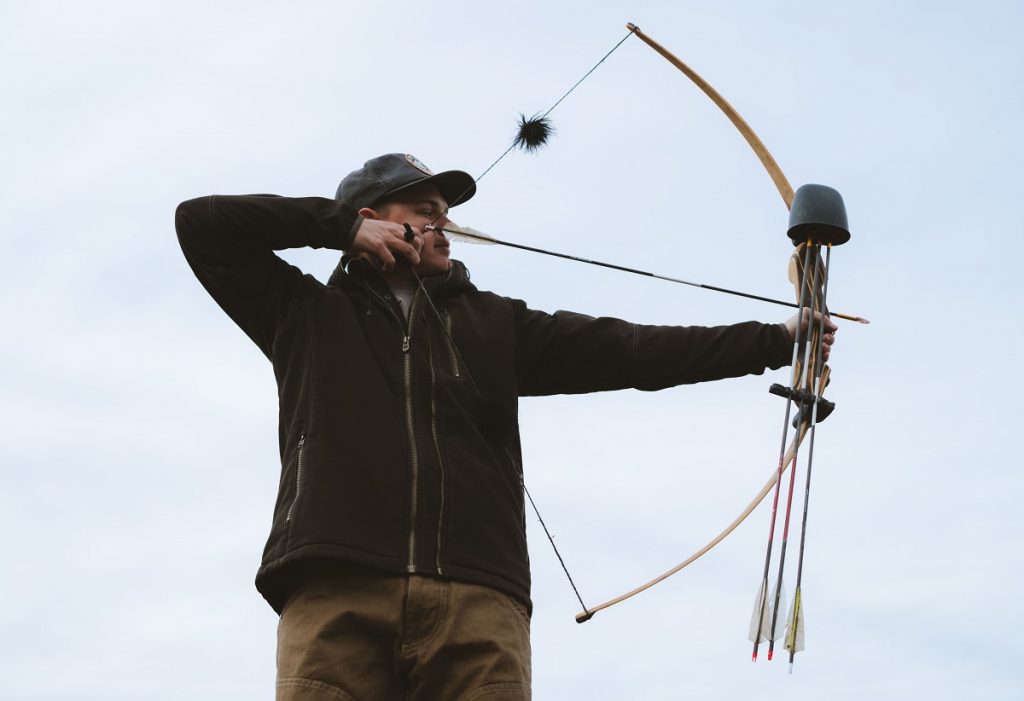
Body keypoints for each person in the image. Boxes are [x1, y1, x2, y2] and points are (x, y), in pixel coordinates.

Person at [175, 153, 836, 700]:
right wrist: (334, 227)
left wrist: (778, 339)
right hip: (338, 587)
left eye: (445, 214)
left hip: (477, 598)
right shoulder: (305, 314)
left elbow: (633, 349)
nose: (444, 226)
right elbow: (201, 222)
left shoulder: (496, 325)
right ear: (371, 220)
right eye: (423, 212)